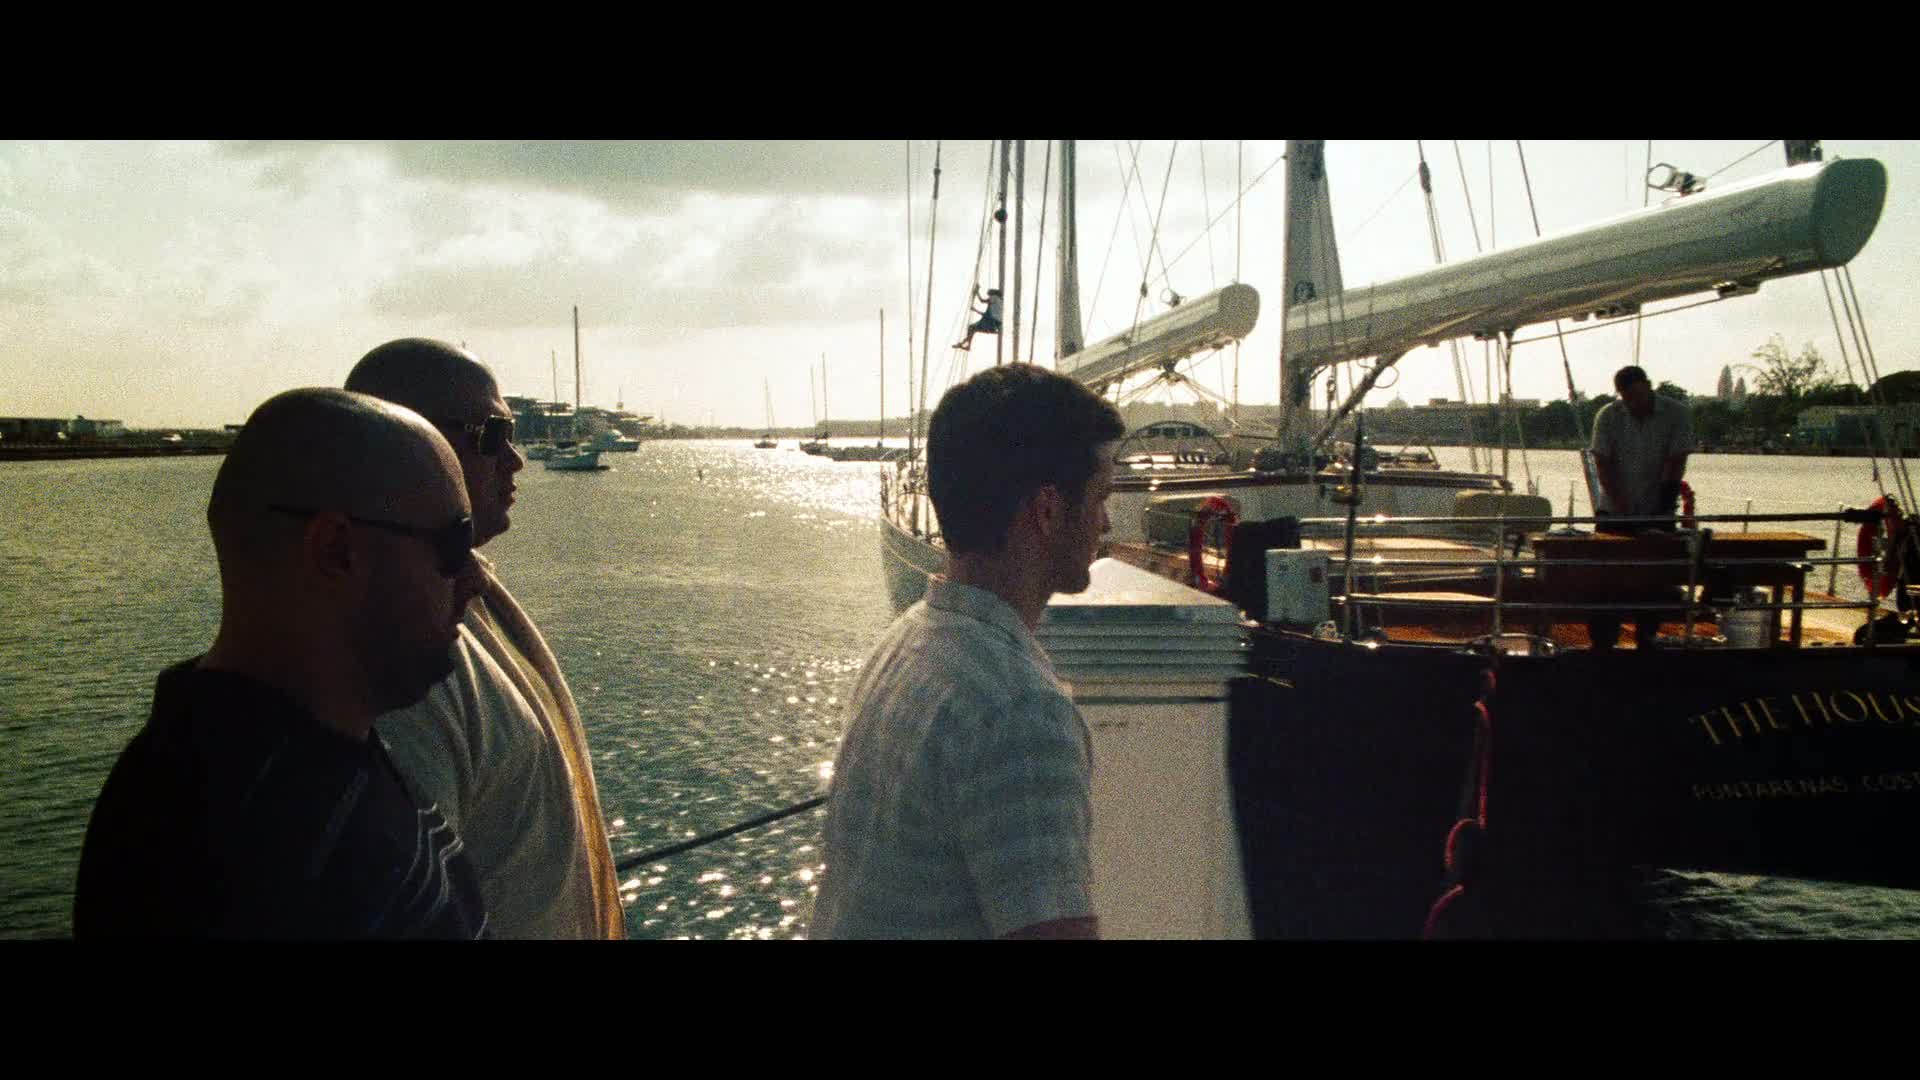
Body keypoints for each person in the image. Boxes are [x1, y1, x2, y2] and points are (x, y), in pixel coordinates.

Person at [73, 389, 491, 938]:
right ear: (336, 550)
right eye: (455, 544)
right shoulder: (245, 853)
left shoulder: (290, 762)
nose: (477, 579)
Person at [812, 363, 1125, 939]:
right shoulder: (1020, 710)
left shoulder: (906, 644)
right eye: (1100, 497)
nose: (1106, 524)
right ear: (1048, 510)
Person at [345, 339, 625, 939]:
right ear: (406, 448)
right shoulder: (399, 670)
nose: (516, 460)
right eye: (492, 436)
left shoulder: (470, 593)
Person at [1587, 364, 1694, 650]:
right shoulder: (1608, 416)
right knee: (1607, 580)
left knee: (1653, 579)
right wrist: (1623, 510)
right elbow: (1603, 465)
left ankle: (1647, 638)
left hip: (1657, 507)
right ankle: (1603, 643)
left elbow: (1676, 462)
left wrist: (1660, 512)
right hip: (1614, 511)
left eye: (1637, 395)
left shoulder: (1677, 414)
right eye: (1627, 398)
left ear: (1648, 386)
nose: (1633, 403)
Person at [952, 287, 1003, 351]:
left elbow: (982, 301)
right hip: (996, 324)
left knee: (971, 327)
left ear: (992, 294)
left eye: (989, 295)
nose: (989, 297)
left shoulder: (994, 297)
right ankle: (965, 345)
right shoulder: (1000, 302)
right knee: (973, 329)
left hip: (991, 322)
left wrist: (977, 292)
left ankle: (965, 344)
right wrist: (975, 310)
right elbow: (986, 315)